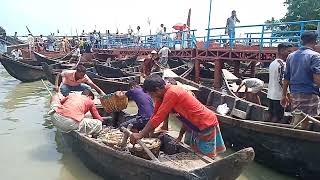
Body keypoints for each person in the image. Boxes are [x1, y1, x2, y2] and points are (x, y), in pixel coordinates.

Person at [129, 74, 226, 158]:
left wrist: (140, 135)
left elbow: (159, 117)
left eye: (151, 94)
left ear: (157, 90)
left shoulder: (172, 93)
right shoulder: (162, 96)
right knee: (196, 151)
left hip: (205, 123)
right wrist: (146, 133)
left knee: (206, 155)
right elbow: (155, 115)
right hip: (194, 124)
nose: (151, 97)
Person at [281, 31, 320, 120]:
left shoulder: (291, 56)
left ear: (301, 41)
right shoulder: (315, 56)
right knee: (310, 121)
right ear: (315, 42)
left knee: (297, 119)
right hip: (310, 94)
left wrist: (283, 95)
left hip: (294, 94)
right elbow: (317, 79)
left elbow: (286, 78)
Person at [267, 44, 290, 123]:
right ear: (281, 51)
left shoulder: (272, 63)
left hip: (271, 94)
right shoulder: (282, 64)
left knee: (272, 114)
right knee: (278, 117)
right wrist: (286, 94)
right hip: (279, 96)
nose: (289, 54)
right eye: (288, 51)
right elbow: (282, 81)